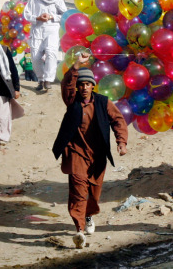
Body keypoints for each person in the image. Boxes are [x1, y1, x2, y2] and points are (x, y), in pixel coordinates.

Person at [52, 52, 128, 249]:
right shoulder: (72, 100)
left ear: (93, 86)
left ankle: (88, 215)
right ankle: (79, 228)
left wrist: (122, 142)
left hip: (97, 154)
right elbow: (66, 84)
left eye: (87, 84)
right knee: (78, 189)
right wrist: (77, 65)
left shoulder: (103, 102)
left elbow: (118, 121)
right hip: (75, 152)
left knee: (93, 193)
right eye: (81, 85)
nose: (84, 88)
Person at [24, 0, 67, 91]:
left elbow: (64, 14)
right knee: (35, 57)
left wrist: (51, 16)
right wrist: (38, 18)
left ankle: (48, 79)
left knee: (51, 53)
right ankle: (41, 79)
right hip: (37, 30)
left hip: (52, 29)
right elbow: (27, 14)